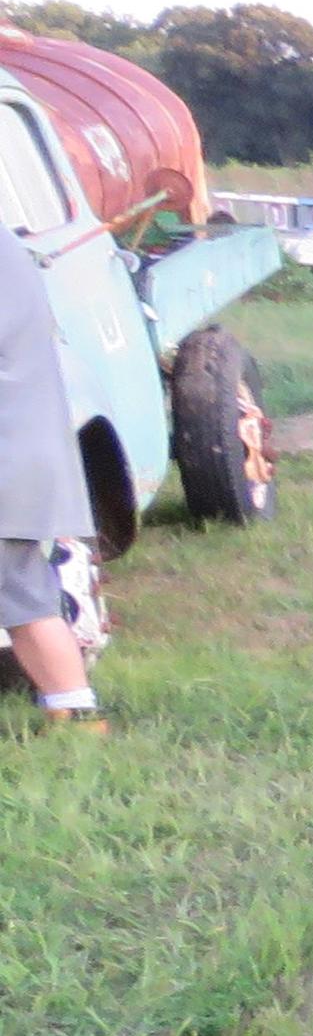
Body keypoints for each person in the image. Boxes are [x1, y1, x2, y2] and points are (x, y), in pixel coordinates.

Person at [0, 227, 103, 726]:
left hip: (7, 450)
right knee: (22, 592)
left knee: (20, 595)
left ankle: (76, 716)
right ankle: (73, 715)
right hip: (21, 447)